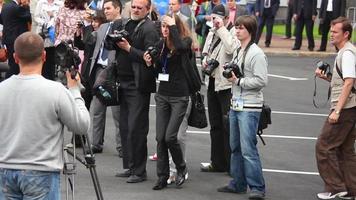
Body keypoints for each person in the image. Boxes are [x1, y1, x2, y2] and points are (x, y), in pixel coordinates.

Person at [0, 32, 90, 200]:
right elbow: (81, 125)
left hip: (5, 169)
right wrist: (75, 91)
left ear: (15, 57)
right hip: (41, 170)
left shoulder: (2, 89)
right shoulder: (55, 91)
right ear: (44, 55)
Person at [217, 15, 268, 200]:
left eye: (241, 28)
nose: (237, 30)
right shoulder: (239, 50)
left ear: (251, 31)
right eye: (236, 27)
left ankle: (257, 187)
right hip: (236, 104)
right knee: (235, 147)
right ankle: (238, 183)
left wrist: (238, 80)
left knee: (248, 149)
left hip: (250, 106)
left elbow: (262, 80)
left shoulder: (256, 53)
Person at [113, 0, 160, 183]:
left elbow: (150, 58)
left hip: (138, 84)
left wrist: (128, 48)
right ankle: (131, 167)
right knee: (125, 127)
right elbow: (113, 48)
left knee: (136, 128)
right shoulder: (124, 23)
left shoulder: (149, 29)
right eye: (133, 6)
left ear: (148, 9)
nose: (136, 10)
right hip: (122, 80)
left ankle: (139, 171)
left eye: (140, 7)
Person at [143, 14, 191, 190]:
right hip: (163, 95)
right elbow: (158, 72)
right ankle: (162, 177)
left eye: (168, 26)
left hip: (179, 96)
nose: (164, 29)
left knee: (171, 137)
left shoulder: (184, 42)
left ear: (175, 28)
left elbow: (180, 47)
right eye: (162, 26)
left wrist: (173, 28)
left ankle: (181, 167)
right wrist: (150, 62)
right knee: (160, 138)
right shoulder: (160, 45)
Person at [315, 17, 356, 200]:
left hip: (346, 108)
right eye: (331, 31)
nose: (331, 34)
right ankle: (351, 189)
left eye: (335, 32)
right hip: (351, 107)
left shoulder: (346, 53)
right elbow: (345, 79)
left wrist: (337, 110)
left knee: (324, 146)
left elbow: (349, 82)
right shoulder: (348, 52)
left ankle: (336, 187)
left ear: (346, 34)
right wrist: (327, 77)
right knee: (345, 150)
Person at [200, 4, 239, 173]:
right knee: (215, 125)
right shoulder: (212, 32)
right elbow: (206, 51)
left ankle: (232, 165)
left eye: (218, 18)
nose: (215, 21)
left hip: (226, 86)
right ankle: (217, 162)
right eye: (213, 17)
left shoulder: (232, 31)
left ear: (226, 18)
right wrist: (205, 60)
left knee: (228, 126)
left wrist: (221, 29)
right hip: (213, 82)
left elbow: (231, 48)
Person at [86, 0, 121, 155]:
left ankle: (121, 147)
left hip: (115, 71)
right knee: (97, 109)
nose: (105, 11)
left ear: (117, 8)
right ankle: (96, 143)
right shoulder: (103, 27)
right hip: (100, 70)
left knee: (118, 112)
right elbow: (91, 44)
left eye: (108, 8)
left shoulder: (124, 25)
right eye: (104, 8)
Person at [0, 0, 31, 78]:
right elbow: (28, 16)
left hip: (8, 39)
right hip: (16, 39)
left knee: (12, 62)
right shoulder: (16, 7)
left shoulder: (5, 6)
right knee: (16, 64)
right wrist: (26, 6)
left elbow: (1, 20)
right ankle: (9, 80)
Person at [34, 0, 63, 80]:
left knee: (52, 57)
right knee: (41, 56)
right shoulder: (40, 2)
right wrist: (45, 23)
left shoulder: (60, 4)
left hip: (53, 34)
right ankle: (41, 77)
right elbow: (36, 17)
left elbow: (61, 18)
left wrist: (52, 18)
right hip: (42, 33)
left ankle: (51, 78)